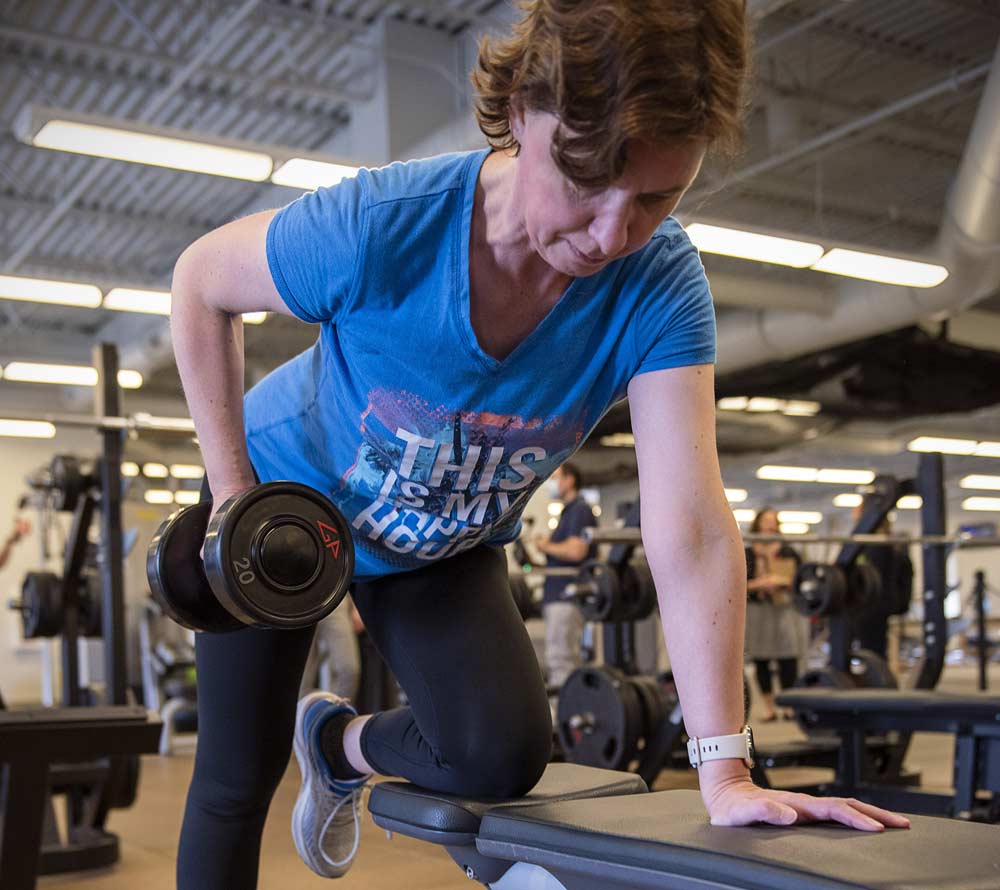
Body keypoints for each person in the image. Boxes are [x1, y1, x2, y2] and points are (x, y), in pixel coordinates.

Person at [169, 2, 908, 886]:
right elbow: (202, 282)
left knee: (500, 753)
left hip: (440, 540)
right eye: (587, 179)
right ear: (523, 111)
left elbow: (694, 525)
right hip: (290, 509)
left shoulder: (659, 284)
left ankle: (336, 742)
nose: (610, 235)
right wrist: (230, 494)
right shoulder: (382, 225)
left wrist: (726, 768)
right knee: (232, 779)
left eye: (655, 197)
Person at [532, 462, 596, 687]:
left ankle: (566, 718)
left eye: (556, 477)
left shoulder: (580, 510)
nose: (552, 483)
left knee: (562, 661)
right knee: (558, 659)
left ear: (570, 480)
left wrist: (545, 545)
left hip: (567, 596)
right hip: (558, 595)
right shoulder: (567, 513)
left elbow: (577, 550)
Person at [744, 507, 806, 721]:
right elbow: (737, 583)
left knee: (788, 658)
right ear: (758, 524)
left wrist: (783, 582)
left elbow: (801, 579)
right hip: (757, 610)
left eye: (773, 521)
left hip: (783, 609)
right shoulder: (748, 552)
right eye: (766, 521)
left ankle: (788, 706)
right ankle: (769, 707)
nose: (770, 525)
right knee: (761, 660)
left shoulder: (789, 551)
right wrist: (759, 584)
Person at [851, 504, 914, 661]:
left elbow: (870, 578)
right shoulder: (876, 545)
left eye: (857, 513)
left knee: (872, 652)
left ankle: (875, 682)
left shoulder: (877, 546)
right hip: (873, 607)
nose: (853, 516)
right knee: (872, 650)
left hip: (872, 608)